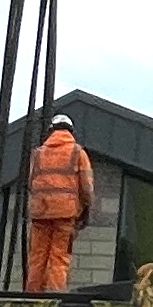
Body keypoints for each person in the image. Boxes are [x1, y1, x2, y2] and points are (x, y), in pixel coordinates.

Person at [21, 112, 95, 293]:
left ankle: (31, 297)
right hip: (65, 214)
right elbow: (86, 187)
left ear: (51, 131)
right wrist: (86, 208)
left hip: (40, 212)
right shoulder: (78, 153)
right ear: (70, 131)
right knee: (59, 257)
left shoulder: (38, 154)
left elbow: (31, 183)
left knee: (37, 257)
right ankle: (54, 298)